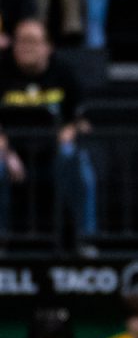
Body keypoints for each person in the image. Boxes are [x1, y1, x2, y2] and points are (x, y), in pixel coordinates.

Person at [0, 17, 97, 249]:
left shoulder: (63, 72)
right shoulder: (2, 71)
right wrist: (5, 151)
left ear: (48, 47)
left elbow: (84, 120)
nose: (25, 47)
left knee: (79, 165)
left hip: (54, 150)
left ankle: (85, 240)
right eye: (21, 41)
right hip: (11, 152)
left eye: (32, 41)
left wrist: (70, 129)